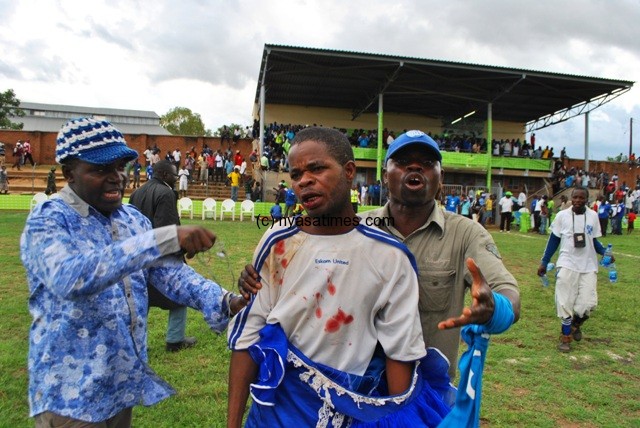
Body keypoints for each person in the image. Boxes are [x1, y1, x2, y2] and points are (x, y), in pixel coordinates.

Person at [239, 130, 521, 383]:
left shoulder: (466, 234)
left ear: (440, 178)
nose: (414, 167)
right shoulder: (353, 228)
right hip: (356, 384)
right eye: (402, 162)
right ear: (386, 176)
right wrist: (255, 277)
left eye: (425, 163)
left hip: (428, 385)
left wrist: (495, 307)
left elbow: (507, 291)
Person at [20, 117, 245, 427]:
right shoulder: (49, 220)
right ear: (69, 173)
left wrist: (225, 301)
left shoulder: (132, 220)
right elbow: (70, 277)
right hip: (71, 393)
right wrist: (161, 237)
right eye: (100, 170)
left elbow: (168, 273)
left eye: (119, 168)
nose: (116, 178)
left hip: (120, 383)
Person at [227, 127, 459, 427]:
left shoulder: (390, 256)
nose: (304, 180)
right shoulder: (278, 241)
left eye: (317, 168)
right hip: (276, 413)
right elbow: (248, 336)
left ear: (349, 171)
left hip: (348, 412)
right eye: (296, 174)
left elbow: (399, 353)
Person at [130, 159, 198, 352]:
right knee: (179, 293)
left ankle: (136, 342)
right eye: (174, 176)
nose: (176, 179)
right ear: (165, 175)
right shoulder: (166, 193)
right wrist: (184, 250)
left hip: (141, 254)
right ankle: (175, 340)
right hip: (163, 255)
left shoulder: (136, 193)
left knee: (142, 299)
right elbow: (167, 229)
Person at [537, 187, 608, 353]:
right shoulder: (562, 216)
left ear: (587, 199)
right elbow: (553, 240)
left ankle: (576, 324)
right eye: (575, 197)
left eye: (581, 198)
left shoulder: (593, 216)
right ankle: (565, 336)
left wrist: (605, 252)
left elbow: (594, 242)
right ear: (571, 198)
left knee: (588, 303)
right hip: (567, 263)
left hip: (589, 265)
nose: (577, 200)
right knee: (565, 301)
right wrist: (544, 261)